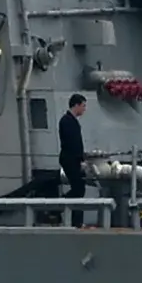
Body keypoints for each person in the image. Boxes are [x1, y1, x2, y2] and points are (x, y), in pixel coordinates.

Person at [59, 93, 88, 228]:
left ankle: (75, 219)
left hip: (72, 159)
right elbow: (72, 143)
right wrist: (80, 159)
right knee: (78, 188)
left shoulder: (70, 121)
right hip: (70, 160)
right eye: (83, 106)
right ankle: (60, 205)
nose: (84, 109)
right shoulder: (67, 121)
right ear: (76, 105)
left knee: (79, 188)